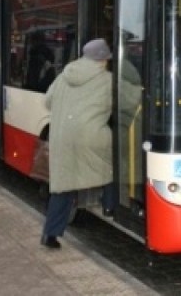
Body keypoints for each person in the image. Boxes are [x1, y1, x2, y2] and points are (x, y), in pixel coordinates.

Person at [41, 38, 113, 249]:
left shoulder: (64, 75)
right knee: (113, 168)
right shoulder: (107, 80)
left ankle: (50, 234)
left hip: (62, 137)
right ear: (102, 59)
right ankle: (110, 207)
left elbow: (48, 101)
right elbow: (130, 102)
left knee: (62, 187)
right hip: (91, 136)